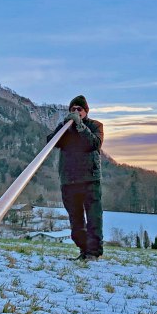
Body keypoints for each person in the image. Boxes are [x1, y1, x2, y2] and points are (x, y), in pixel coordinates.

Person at [47, 95, 104, 261]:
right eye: (73, 109)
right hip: (69, 181)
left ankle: (93, 253)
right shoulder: (65, 128)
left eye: (79, 109)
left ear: (86, 111)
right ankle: (83, 250)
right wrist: (64, 126)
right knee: (76, 221)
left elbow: (94, 143)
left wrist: (80, 127)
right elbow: (51, 142)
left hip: (90, 180)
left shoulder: (95, 126)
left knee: (94, 219)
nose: (76, 112)